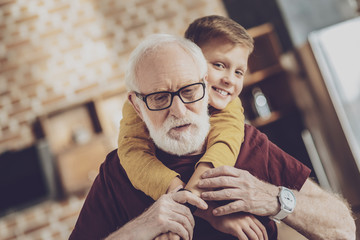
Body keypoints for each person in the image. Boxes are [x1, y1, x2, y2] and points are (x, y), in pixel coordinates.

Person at [69, 33, 355, 240]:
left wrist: (269, 198)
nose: (178, 111)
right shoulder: (115, 175)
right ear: (137, 107)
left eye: (189, 91)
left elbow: (343, 228)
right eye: (158, 98)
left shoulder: (247, 143)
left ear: (206, 87)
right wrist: (141, 228)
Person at [117, 16, 253, 201]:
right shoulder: (140, 104)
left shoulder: (231, 106)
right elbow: (132, 153)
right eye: (219, 65)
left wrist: (196, 196)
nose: (230, 79)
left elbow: (226, 142)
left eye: (239, 72)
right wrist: (176, 190)